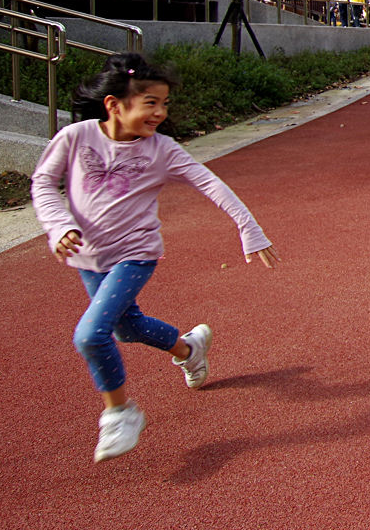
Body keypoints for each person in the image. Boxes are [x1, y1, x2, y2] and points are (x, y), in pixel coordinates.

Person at [31, 53, 278, 462]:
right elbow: (43, 182)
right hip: (90, 258)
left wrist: (248, 228)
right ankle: (188, 350)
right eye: (151, 103)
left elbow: (210, 184)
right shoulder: (75, 137)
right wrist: (58, 226)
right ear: (114, 105)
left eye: (165, 104)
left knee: (91, 335)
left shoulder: (162, 150)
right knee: (127, 329)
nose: (160, 113)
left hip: (135, 254)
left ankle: (120, 412)